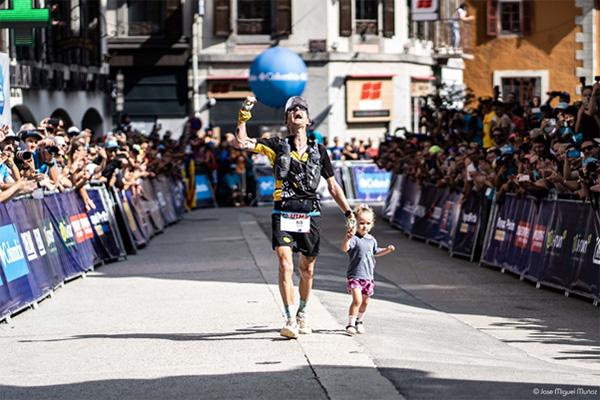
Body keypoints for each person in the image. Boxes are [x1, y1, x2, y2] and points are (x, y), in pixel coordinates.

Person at [235, 95, 355, 339]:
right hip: (283, 212)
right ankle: (289, 319)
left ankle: (302, 312)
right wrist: (244, 113)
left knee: (307, 270)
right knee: (285, 265)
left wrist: (349, 213)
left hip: (309, 214)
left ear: (308, 119)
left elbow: (333, 187)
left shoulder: (319, 151)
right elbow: (242, 143)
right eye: (292, 109)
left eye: (302, 109)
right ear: (287, 119)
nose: (297, 111)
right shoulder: (276, 145)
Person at [340, 204, 395, 335]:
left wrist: (387, 250)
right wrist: (346, 239)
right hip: (355, 276)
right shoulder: (354, 239)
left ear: (372, 224)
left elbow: (375, 251)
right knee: (357, 300)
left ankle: (359, 321)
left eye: (368, 223)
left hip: (368, 277)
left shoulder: (372, 240)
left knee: (365, 302)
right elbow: (344, 248)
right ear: (355, 223)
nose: (365, 226)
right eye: (361, 223)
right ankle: (350, 324)